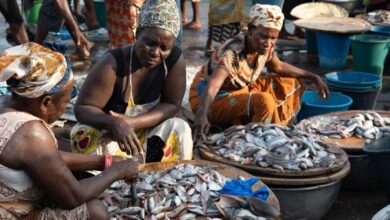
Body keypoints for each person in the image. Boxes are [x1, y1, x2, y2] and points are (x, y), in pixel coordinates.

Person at [0, 42, 139, 219]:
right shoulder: (31, 131)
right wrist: (119, 171)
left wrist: (104, 161)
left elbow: (45, 158)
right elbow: (73, 197)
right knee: (96, 211)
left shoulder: (4, 103)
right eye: (66, 101)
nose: (67, 106)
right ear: (46, 103)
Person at [71, 0, 193, 163]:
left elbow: (172, 104)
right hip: (114, 138)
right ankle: (101, 182)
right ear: (137, 33)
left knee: (180, 128)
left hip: (148, 135)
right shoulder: (112, 63)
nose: (156, 52)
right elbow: (82, 108)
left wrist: (133, 123)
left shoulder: (174, 59)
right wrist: (113, 123)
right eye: (150, 43)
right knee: (83, 133)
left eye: (164, 48)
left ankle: (162, 176)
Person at [190, 4, 329, 140]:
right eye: (263, 36)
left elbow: (278, 67)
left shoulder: (264, 47)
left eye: (273, 38)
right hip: (208, 98)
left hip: (238, 89)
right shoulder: (233, 52)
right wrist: (201, 116)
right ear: (250, 30)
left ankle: (270, 126)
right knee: (265, 101)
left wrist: (313, 77)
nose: (268, 43)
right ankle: (254, 140)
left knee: (290, 82)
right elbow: (214, 84)